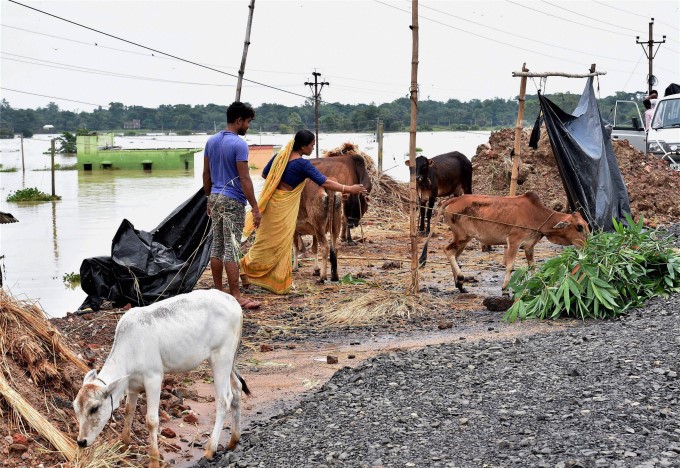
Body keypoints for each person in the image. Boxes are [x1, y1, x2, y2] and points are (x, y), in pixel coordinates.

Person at [239, 129, 367, 294]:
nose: (313, 149)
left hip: (273, 202)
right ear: (303, 146)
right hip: (284, 206)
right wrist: (349, 188)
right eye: (312, 145)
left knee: (266, 241)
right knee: (280, 243)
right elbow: (324, 182)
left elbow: (265, 174)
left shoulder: (280, 156)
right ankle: (251, 270)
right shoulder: (302, 164)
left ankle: (249, 271)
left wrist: (281, 181)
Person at [203, 101, 262, 309]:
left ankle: (219, 292)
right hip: (232, 200)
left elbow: (206, 174)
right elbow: (245, 179)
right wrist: (255, 207)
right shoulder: (238, 144)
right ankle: (235, 295)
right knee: (231, 248)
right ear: (238, 121)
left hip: (215, 197)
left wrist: (208, 198)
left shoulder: (211, 141)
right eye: (247, 122)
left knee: (217, 246)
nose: (248, 126)